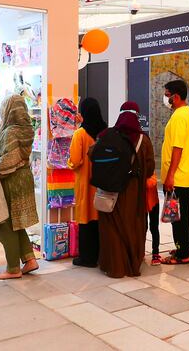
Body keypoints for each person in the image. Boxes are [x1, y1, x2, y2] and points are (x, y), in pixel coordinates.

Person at [98, 101, 154, 278]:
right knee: (132, 225)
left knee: (112, 227)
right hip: (133, 192)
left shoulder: (106, 135)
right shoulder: (143, 140)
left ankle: (114, 266)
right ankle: (132, 264)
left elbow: (93, 155)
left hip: (110, 190)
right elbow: (150, 168)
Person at [0, 95, 39, 280]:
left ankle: (12, 268)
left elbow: (9, 160)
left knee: (3, 222)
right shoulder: (27, 129)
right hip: (24, 178)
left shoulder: (10, 131)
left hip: (11, 181)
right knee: (16, 222)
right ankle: (29, 259)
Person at [159, 80, 189, 265]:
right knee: (181, 215)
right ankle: (184, 247)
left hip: (178, 176)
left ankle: (182, 254)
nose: (166, 98)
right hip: (182, 175)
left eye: (167, 95)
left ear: (176, 96)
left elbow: (178, 148)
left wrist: (171, 175)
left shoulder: (181, 116)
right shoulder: (185, 113)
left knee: (178, 217)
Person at [68, 97, 106, 268]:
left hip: (85, 183)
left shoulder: (80, 134)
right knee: (99, 219)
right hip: (102, 184)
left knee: (85, 218)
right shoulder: (105, 131)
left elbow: (75, 161)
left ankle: (87, 258)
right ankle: (99, 255)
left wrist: (69, 163)